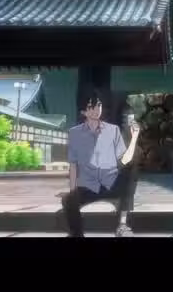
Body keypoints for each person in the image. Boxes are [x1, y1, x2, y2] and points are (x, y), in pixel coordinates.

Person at [60, 90, 142, 237]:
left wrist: (134, 137)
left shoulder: (112, 130)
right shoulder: (75, 133)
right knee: (68, 199)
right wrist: (73, 190)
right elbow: (73, 165)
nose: (97, 109)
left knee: (131, 167)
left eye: (99, 105)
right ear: (84, 111)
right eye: (91, 107)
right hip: (91, 185)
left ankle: (122, 224)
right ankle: (76, 235)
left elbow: (125, 160)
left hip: (112, 181)